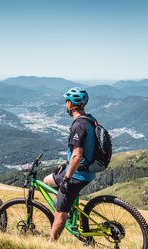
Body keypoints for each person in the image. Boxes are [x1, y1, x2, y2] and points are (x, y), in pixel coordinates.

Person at [43, 87, 97, 242]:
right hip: (85, 170)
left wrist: (66, 178)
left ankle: (50, 243)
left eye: (66, 102)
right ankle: (68, 205)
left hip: (77, 175)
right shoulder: (89, 119)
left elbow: (77, 155)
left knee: (60, 214)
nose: (65, 104)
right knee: (47, 181)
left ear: (71, 104)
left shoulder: (78, 125)